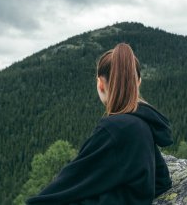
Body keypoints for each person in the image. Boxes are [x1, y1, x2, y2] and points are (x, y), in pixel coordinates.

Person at [26, 43, 173, 205]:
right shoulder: (145, 123)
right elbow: (162, 182)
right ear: (138, 82)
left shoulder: (115, 129)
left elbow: (62, 189)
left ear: (100, 83)